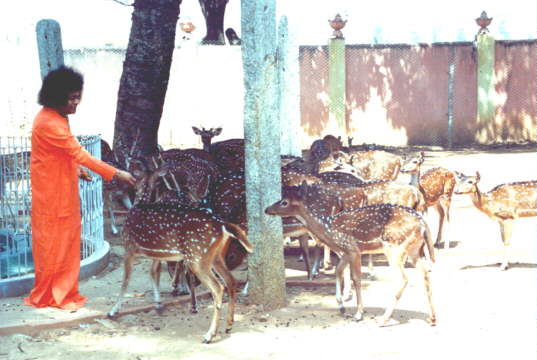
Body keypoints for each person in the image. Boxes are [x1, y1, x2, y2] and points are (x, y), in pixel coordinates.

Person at [24, 65, 136, 311]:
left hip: (59, 191)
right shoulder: (50, 122)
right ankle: (55, 296)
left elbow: (60, 153)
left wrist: (75, 168)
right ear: (57, 97)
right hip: (53, 197)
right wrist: (116, 173)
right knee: (57, 247)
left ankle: (58, 293)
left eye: (78, 97)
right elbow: (78, 152)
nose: (77, 103)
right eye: (72, 98)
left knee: (64, 245)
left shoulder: (53, 117)